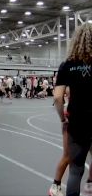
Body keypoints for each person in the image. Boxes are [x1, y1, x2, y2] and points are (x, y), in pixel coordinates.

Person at [53, 23, 92, 196]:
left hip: (78, 121)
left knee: (76, 171)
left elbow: (57, 97)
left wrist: (63, 118)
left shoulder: (66, 65)